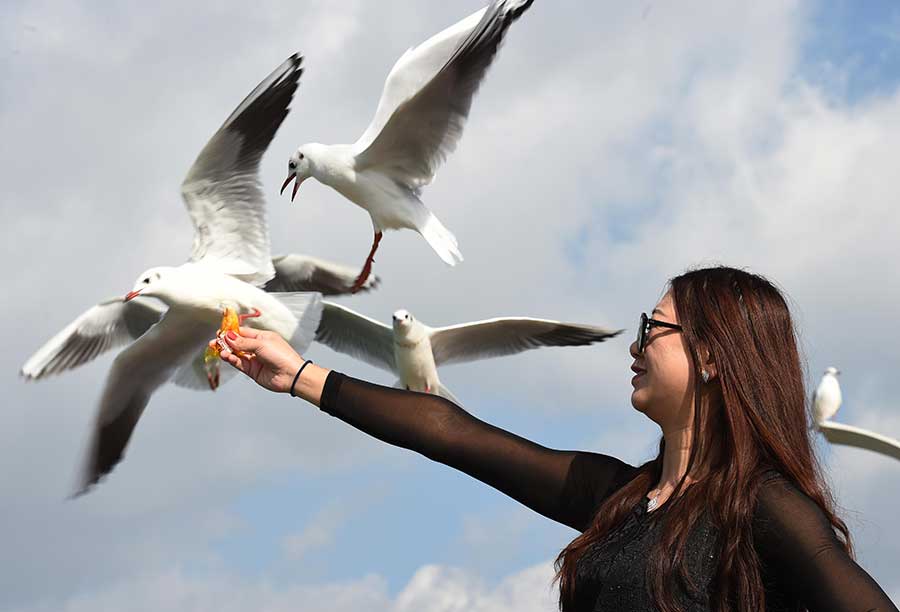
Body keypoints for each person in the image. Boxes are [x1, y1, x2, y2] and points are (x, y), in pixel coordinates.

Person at [211, 266, 897, 611]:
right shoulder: (621, 499)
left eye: (652, 330)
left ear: (714, 357)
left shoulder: (763, 508)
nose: (634, 346)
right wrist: (299, 373)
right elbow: (452, 433)